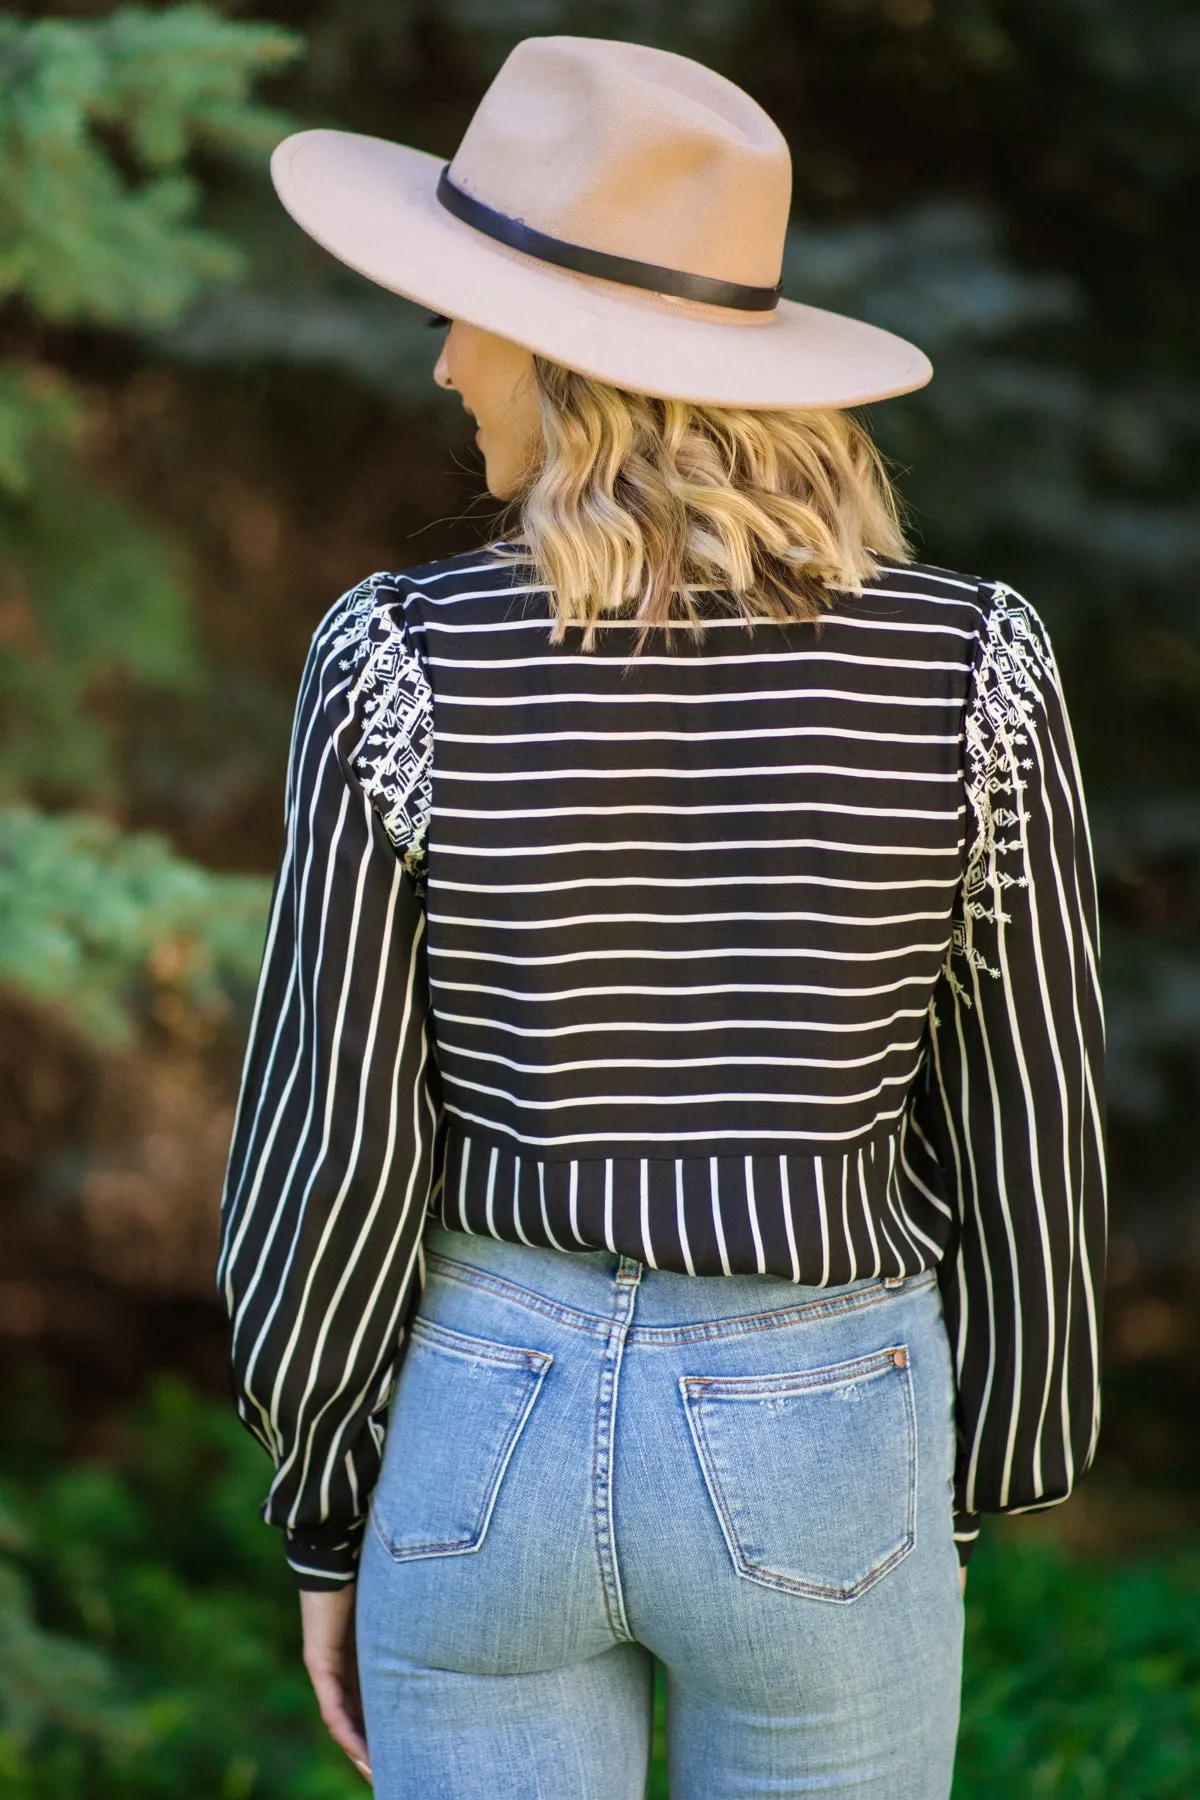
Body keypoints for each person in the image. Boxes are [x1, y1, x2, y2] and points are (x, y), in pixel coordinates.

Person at [217, 34, 1106, 1800]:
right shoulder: (971, 669)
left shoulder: (398, 661)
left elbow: (334, 1143)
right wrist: (985, 1462)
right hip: (826, 1419)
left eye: (465, 312)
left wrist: (326, 1506)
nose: (443, 354)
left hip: (481, 1424)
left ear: (566, 356)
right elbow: (1032, 1113)